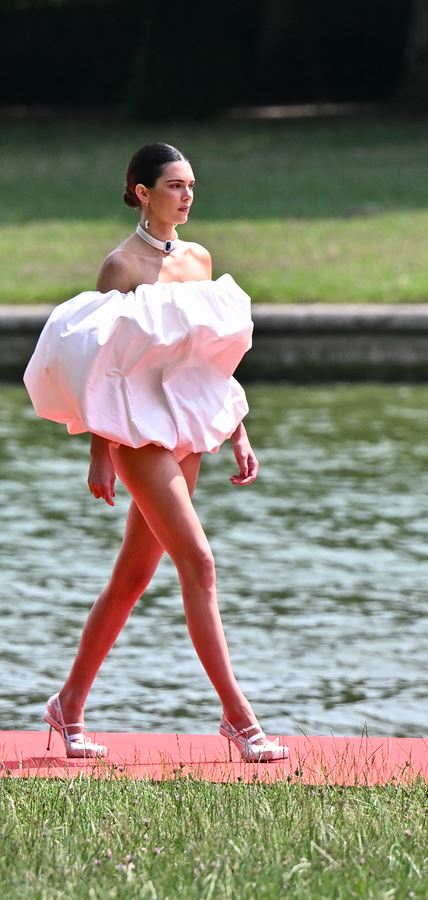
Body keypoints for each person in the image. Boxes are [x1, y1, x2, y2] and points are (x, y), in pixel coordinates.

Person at [23, 142, 289, 763]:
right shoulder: (120, 268)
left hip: (186, 427)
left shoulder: (199, 260)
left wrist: (238, 426)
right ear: (142, 193)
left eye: (192, 184)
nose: (188, 195)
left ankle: (68, 707)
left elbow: (209, 360)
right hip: (135, 434)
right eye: (174, 185)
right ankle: (241, 721)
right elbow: (101, 368)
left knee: (133, 575)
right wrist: (98, 450)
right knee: (199, 562)